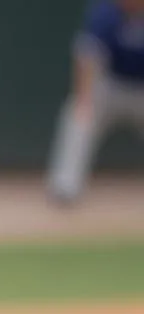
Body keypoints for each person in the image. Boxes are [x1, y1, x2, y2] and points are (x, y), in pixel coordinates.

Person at [46, 0, 144, 206]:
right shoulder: (105, 12)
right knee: (77, 116)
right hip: (110, 84)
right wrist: (84, 99)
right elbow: (87, 56)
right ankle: (65, 188)